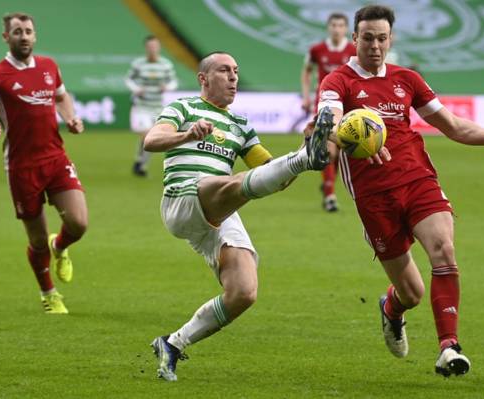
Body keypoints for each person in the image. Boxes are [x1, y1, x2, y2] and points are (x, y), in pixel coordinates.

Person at [317, 5, 484, 376]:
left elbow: (453, 127)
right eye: (368, 38)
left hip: (418, 181)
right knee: (410, 293)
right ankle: (391, 309)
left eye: (382, 38)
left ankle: (449, 347)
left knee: (444, 250)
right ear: (354, 39)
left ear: (391, 39)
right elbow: (331, 125)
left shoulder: (407, 79)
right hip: (375, 197)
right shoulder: (338, 82)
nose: (376, 46)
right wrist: (345, 136)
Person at [144, 51, 332, 381]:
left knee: (244, 292)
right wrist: (187, 134)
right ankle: (304, 158)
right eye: (224, 71)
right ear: (203, 78)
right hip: (183, 198)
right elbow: (152, 140)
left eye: (236, 71)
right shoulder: (184, 108)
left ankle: (172, 344)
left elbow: (276, 178)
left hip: (220, 208)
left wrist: (305, 144)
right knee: (230, 183)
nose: (233, 77)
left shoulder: (241, 126)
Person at [0, 13, 87, 314]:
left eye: (29, 31)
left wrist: (70, 117)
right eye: (17, 32)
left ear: (35, 36)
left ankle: (59, 246)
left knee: (79, 223)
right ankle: (49, 294)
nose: (24, 36)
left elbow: (61, 97)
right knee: (36, 241)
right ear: (6, 37)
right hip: (22, 167)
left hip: (55, 157)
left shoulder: (49, 67)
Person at [301, 13, 356, 212]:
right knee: (330, 150)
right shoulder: (317, 50)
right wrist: (306, 96)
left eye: (340, 25)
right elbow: (306, 71)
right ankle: (331, 195)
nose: (336, 28)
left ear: (346, 29)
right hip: (325, 104)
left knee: (342, 151)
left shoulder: (353, 50)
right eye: (333, 25)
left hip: (349, 106)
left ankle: (328, 184)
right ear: (328, 27)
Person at [125, 35, 178, 177]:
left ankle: (140, 164)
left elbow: (173, 82)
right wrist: (136, 88)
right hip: (141, 106)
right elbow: (129, 79)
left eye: (155, 46)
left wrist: (167, 87)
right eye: (150, 46)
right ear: (146, 48)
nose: (152, 49)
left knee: (151, 137)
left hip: (157, 107)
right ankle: (140, 163)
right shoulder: (139, 64)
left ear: (159, 47)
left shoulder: (166, 65)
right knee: (147, 135)